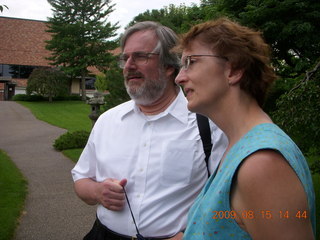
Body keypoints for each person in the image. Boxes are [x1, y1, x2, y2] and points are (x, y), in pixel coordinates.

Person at [71, 21, 227, 240]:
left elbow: (228, 199)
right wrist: (97, 192)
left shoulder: (208, 126)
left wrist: (185, 236)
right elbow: (81, 179)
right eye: (125, 58)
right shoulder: (108, 121)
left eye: (140, 56)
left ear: (168, 65)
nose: (129, 66)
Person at [175, 17, 316, 239]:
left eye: (191, 62)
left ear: (233, 70)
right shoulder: (239, 147)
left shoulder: (262, 163)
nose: (179, 78)